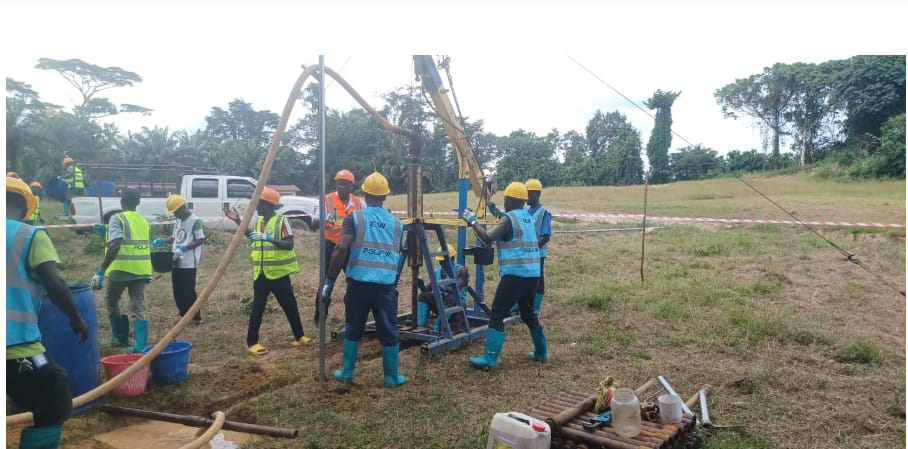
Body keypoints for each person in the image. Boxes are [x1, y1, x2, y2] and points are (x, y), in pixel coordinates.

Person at [7, 176, 90, 449]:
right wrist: (76, 318)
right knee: (54, 393)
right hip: (17, 347)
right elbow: (54, 283)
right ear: (25, 207)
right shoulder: (28, 235)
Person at [322, 172, 406, 387]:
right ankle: (391, 378)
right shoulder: (397, 224)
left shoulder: (355, 218)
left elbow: (341, 248)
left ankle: (347, 373)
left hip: (358, 283)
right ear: (385, 197)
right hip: (385, 286)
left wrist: (329, 282)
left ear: (365, 194)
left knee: (354, 326)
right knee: (388, 328)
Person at [461, 181, 548, 370]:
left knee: (497, 313)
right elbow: (506, 225)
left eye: (506, 199)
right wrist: (493, 210)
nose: (505, 203)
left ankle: (489, 359)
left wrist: (472, 220)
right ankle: (541, 352)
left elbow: (486, 238)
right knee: (528, 313)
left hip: (515, 275)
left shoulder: (509, 219)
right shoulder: (527, 218)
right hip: (532, 274)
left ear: (510, 200)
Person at [224, 187, 313, 356]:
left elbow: (289, 244)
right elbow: (252, 236)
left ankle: (300, 336)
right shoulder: (259, 222)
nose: (256, 207)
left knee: (290, 306)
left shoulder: (282, 221)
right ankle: (252, 343)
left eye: (259, 204)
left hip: (279, 274)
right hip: (262, 274)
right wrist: (238, 220)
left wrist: (268, 238)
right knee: (257, 308)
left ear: (267, 205)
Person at [91, 188, 152, 353]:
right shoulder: (143, 220)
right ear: (138, 202)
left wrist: (101, 270)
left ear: (121, 201)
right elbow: (132, 240)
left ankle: (120, 337)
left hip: (121, 270)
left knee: (111, 300)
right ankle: (139, 345)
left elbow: (117, 243)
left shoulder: (117, 218)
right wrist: (107, 232)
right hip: (142, 269)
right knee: (137, 305)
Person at [314, 169, 365, 324]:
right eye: (338, 183)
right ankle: (320, 315)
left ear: (351, 186)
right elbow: (313, 223)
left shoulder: (359, 203)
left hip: (351, 249)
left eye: (344, 184)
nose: (340, 186)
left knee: (355, 282)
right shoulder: (327, 200)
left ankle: (354, 314)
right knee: (326, 281)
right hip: (331, 247)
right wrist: (326, 217)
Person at [152, 194, 206, 324]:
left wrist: (183, 249)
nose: (175, 214)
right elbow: (174, 238)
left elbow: (200, 239)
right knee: (177, 290)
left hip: (188, 262)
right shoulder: (178, 221)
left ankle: (195, 318)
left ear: (183, 208)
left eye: (175, 211)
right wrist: (163, 240)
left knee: (188, 291)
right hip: (175, 261)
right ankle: (183, 316)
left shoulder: (195, 220)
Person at [416, 243, 470, 332]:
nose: (441, 263)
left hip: (456, 307)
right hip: (440, 306)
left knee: (451, 297)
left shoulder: (462, 271)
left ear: (452, 258)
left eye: (443, 260)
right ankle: (420, 323)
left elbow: (455, 289)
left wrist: (441, 287)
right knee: (423, 296)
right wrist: (422, 286)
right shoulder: (437, 271)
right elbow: (428, 290)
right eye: (440, 260)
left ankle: (437, 328)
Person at [524, 179, 551, 314]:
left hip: (537, 253)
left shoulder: (543, 212)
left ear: (536, 194)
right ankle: (523, 303)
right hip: (526, 252)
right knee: (525, 278)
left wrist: (533, 250)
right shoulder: (527, 212)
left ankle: (535, 306)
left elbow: (545, 236)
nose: (525, 197)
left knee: (538, 278)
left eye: (527, 194)